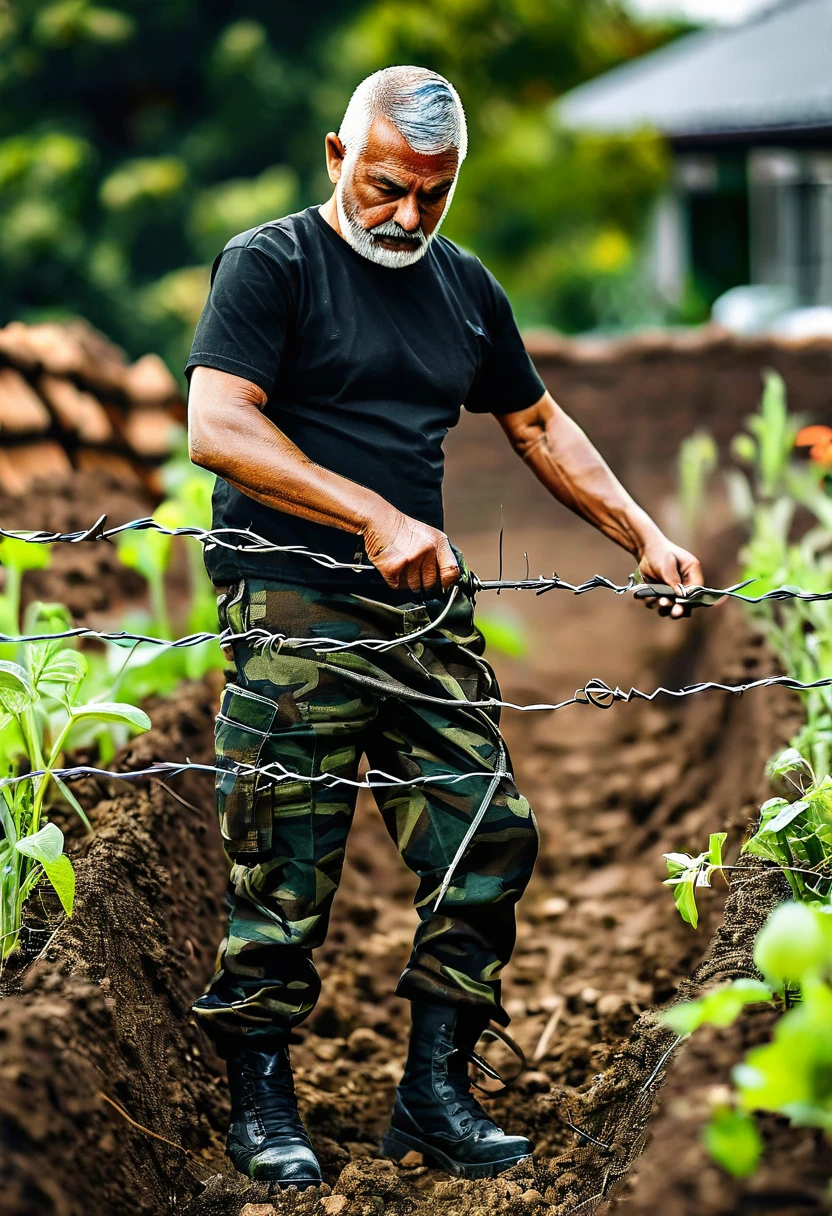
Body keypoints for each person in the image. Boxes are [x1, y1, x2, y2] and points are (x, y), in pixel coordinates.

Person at [186, 64, 703, 1189]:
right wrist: (373, 514)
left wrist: (642, 535)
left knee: (488, 832)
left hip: (419, 610)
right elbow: (218, 425)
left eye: (432, 193)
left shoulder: (461, 286)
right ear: (336, 157)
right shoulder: (269, 266)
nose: (406, 216)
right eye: (384, 188)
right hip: (291, 602)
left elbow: (538, 421)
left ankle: (432, 1089)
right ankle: (260, 1100)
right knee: (285, 860)